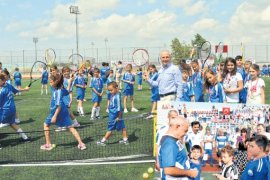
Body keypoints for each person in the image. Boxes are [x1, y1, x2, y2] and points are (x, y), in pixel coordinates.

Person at [40, 73, 86, 151]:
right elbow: (67, 91)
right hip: (64, 111)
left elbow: (58, 106)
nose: (50, 83)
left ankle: (48, 144)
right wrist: (70, 82)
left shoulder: (57, 91)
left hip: (56, 111)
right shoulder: (60, 88)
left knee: (46, 125)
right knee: (70, 127)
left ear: (56, 82)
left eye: (51, 81)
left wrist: (54, 116)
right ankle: (81, 144)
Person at [0, 73, 31, 144]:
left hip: (5, 111)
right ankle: (25, 138)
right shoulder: (9, 85)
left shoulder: (1, 90)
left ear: (2, 80)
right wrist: (25, 89)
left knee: (11, 124)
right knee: (12, 124)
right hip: (12, 109)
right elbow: (17, 90)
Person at [97, 81, 128, 146]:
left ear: (116, 88)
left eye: (111, 90)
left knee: (110, 128)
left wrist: (119, 117)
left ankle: (102, 141)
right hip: (113, 114)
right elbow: (117, 90)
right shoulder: (115, 94)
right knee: (122, 127)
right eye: (109, 90)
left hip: (114, 116)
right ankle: (125, 140)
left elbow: (119, 109)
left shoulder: (117, 97)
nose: (110, 92)